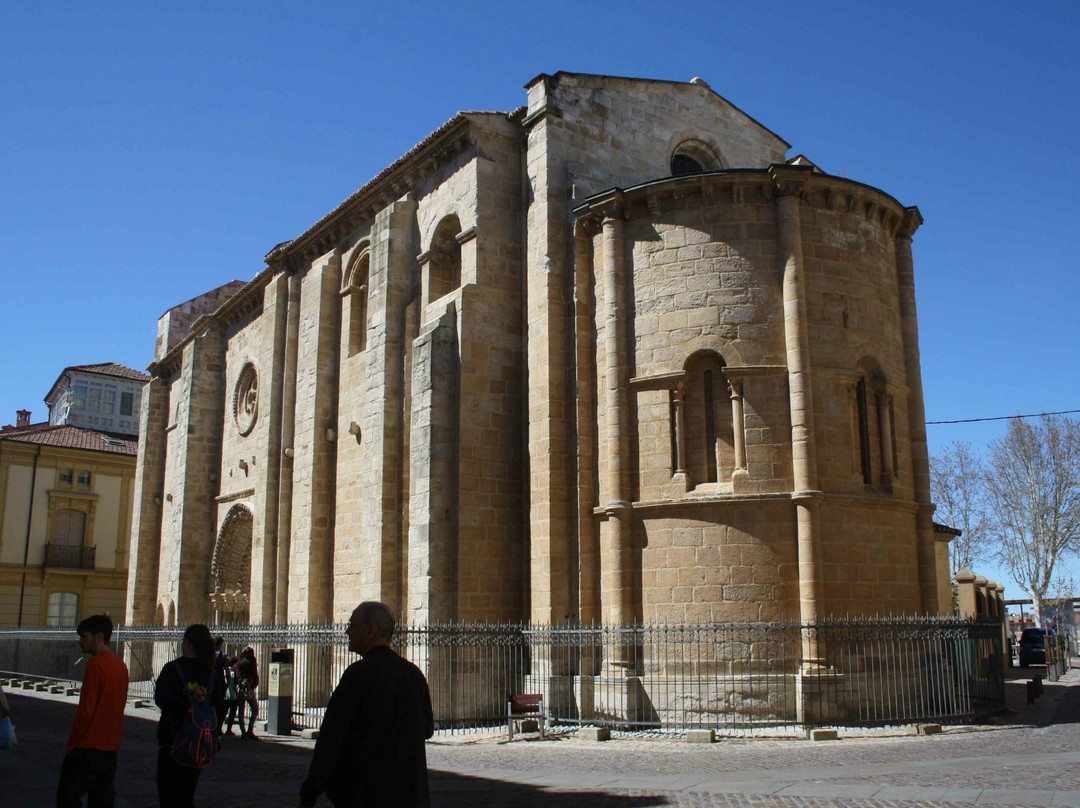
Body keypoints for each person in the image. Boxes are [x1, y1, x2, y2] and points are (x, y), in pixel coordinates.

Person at [299, 601, 434, 807]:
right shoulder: (414, 674)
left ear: (371, 630)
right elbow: (427, 730)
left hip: (365, 795)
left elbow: (332, 738)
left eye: (352, 624)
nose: (347, 631)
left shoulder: (357, 675)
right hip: (409, 795)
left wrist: (311, 788)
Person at [56, 614, 130, 808]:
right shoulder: (121, 665)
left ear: (98, 637)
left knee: (67, 797)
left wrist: (73, 743)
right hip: (110, 746)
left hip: (88, 745)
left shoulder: (96, 664)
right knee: (101, 800)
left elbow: (86, 710)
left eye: (84, 636)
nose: (81, 641)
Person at [154, 624, 225, 808]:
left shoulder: (173, 668)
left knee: (168, 795)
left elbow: (161, 699)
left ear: (188, 644)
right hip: (200, 740)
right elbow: (219, 705)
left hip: (172, 739)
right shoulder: (212, 673)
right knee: (187, 793)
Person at [235, 646, 259, 740]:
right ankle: (250, 730)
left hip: (241, 690)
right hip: (249, 689)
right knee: (255, 710)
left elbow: (237, 675)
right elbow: (254, 676)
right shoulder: (251, 663)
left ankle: (243, 732)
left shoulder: (239, 664)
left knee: (241, 712)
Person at [221, 655, 240, 735]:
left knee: (223, 712)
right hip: (232, 695)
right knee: (232, 713)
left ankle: (219, 728)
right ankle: (228, 730)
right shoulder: (233, 671)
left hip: (225, 694)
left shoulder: (223, 670)